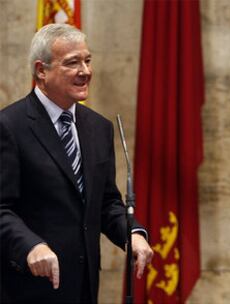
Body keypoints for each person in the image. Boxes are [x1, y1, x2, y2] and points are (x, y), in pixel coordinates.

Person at [0, 23, 153, 303]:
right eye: (72, 63)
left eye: (87, 60)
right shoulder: (9, 125)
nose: (85, 71)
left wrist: (134, 234)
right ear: (41, 70)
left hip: (84, 288)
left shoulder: (98, 127)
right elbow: (2, 208)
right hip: (28, 288)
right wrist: (30, 245)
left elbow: (106, 202)